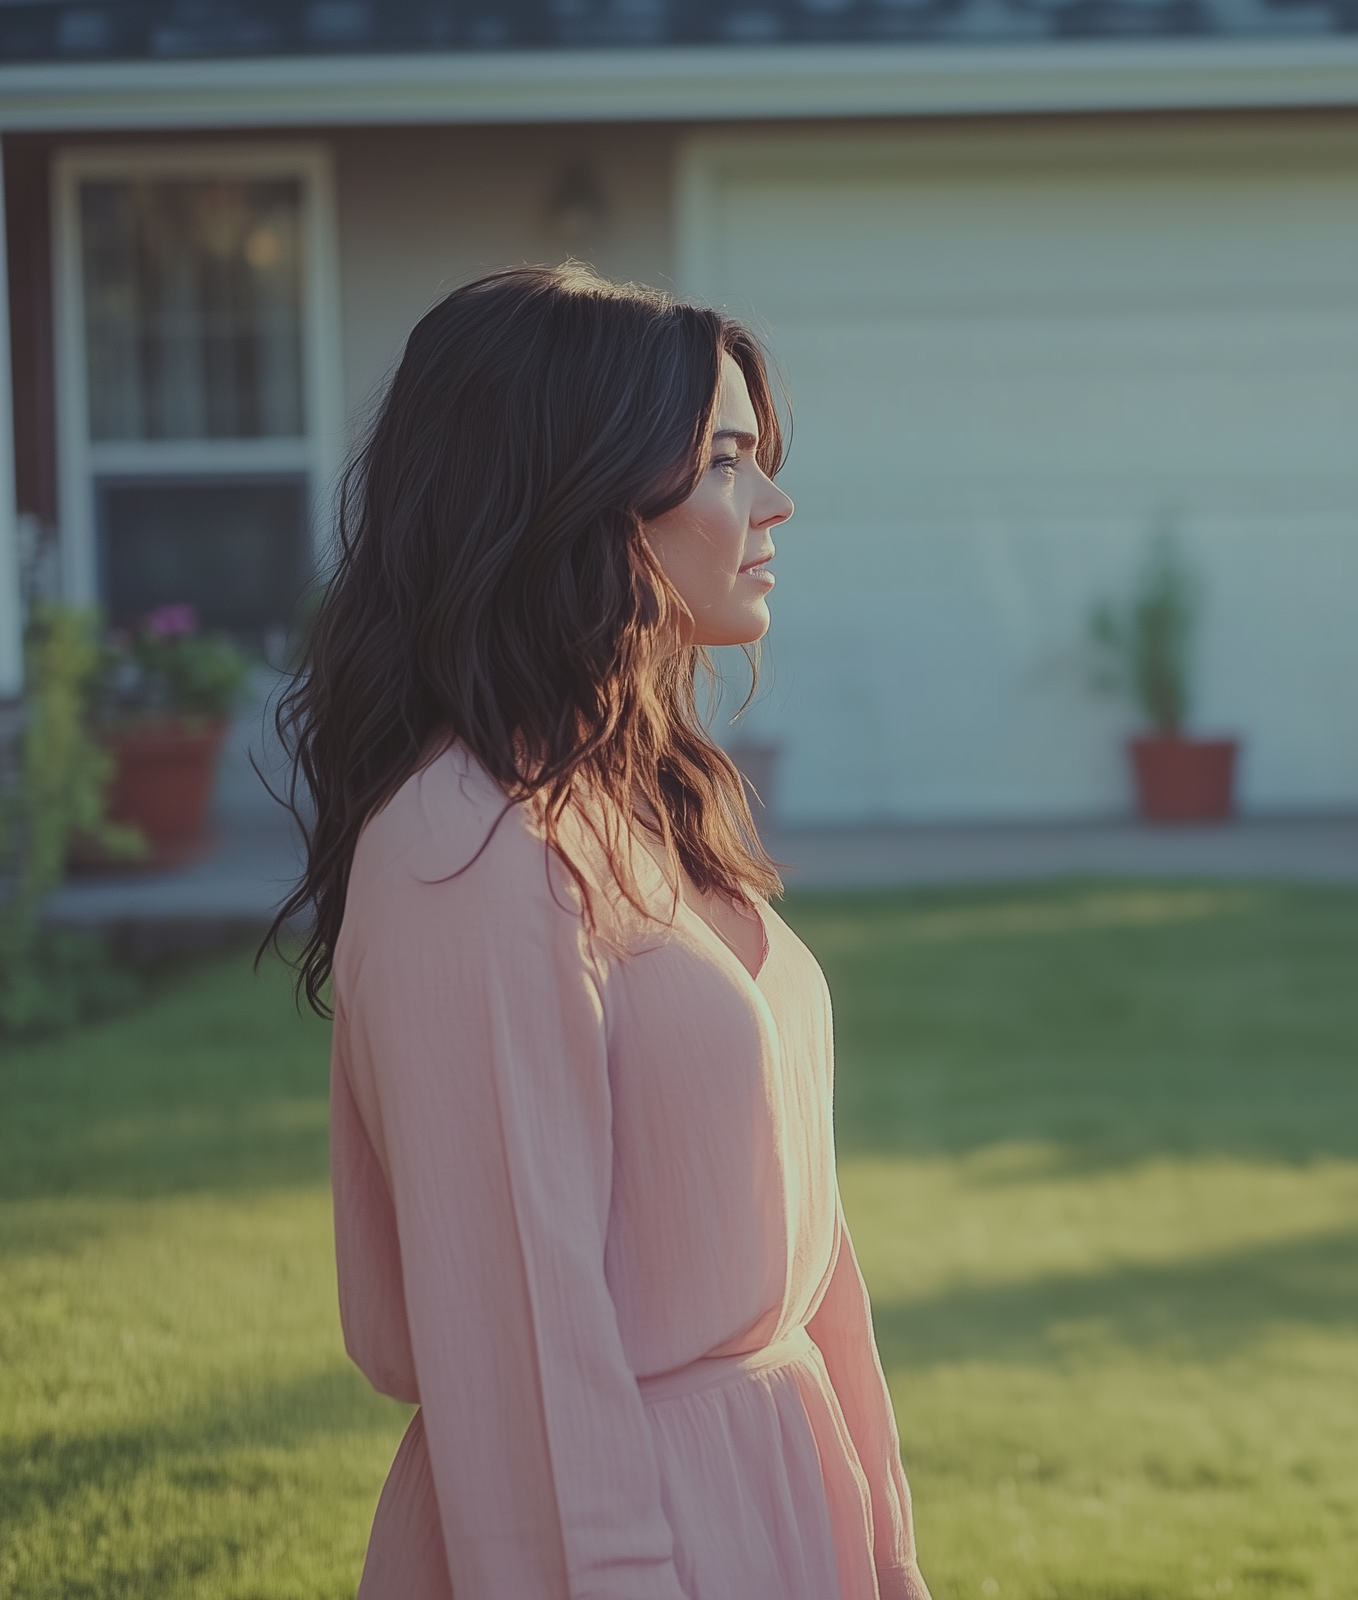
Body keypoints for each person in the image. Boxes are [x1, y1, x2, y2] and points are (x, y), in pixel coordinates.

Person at [270, 266, 929, 1600]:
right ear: (579, 493)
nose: (776, 505)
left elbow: (814, 1252)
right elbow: (523, 1366)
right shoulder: (467, 852)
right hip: (624, 1534)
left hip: (788, 1503)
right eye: (727, 463)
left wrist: (887, 1551)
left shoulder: (645, 798)